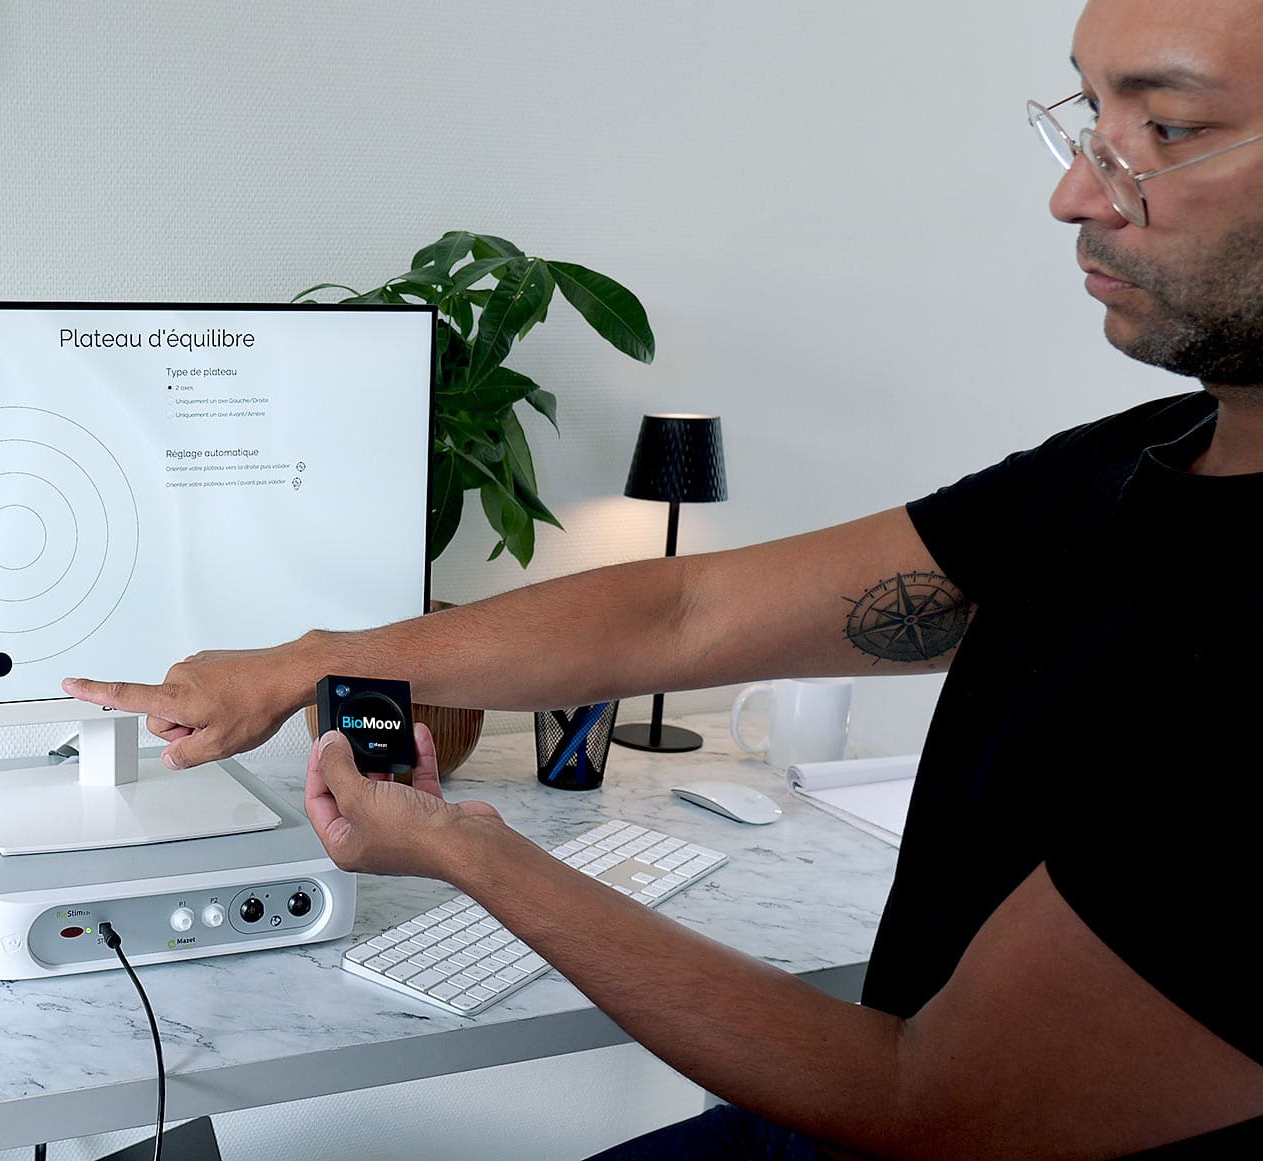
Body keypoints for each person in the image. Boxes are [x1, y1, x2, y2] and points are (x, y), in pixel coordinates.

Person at [66, 1, 1263, 1154]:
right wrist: (305, 664)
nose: (1072, 194)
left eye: (1165, 131)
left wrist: (467, 852)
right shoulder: (1124, 470)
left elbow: (931, 1105)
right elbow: (689, 608)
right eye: (1087, 118)